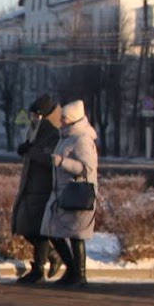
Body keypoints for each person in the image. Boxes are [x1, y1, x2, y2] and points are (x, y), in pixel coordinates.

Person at [40, 97, 100, 288]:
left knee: (76, 235)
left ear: (73, 119)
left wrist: (61, 162)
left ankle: (79, 275)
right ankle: (72, 270)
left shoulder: (82, 139)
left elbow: (87, 169)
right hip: (62, 193)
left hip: (76, 194)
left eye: (65, 118)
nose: (61, 121)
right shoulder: (66, 136)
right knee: (54, 232)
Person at [11, 94, 60, 284]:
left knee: (38, 230)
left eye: (36, 115)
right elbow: (34, 150)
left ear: (44, 115)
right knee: (23, 226)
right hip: (30, 185)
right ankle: (52, 256)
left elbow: (51, 159)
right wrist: (25, 148)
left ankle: (39, 269)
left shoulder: (53, 131)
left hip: (44, 186)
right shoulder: (35, 129)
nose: (32, 119)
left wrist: (31, 151)